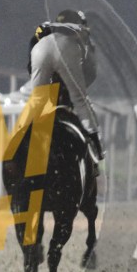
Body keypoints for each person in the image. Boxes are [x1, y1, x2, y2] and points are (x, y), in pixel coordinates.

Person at [14, 9, 103, 162]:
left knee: (36, 100)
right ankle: (96, 147)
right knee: (80, 100)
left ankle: (17, 148)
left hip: (41, 50)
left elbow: (32, 56)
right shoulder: (82, 38)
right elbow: (90, 74)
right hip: (65, 53)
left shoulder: (44, 29)